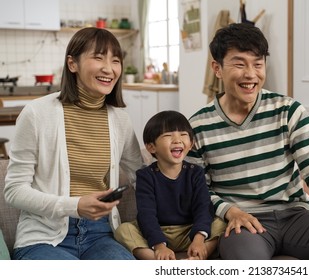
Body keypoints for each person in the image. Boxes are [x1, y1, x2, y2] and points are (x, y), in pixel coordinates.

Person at [187, 23, 309, 260]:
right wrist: (231, 212)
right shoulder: (197, 127)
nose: (251, 74)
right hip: (245, 223)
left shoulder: (288, 111)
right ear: (217, 68)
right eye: (239, 64)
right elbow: (199, 191)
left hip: (296, 216)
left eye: (258, 63)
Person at [4, 27, 143, 260]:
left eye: (115, 60)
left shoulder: (119, 119)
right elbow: (14, 190)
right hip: (43, 237)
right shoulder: (37, 113)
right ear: (72, 64)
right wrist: (74, 205)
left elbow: (142, 175)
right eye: (98, 57)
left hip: (101, 234)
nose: (109, 68)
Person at [115, 111, 226, 260]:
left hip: (189, 231)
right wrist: (159, 245)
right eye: (168, 136)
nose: (177, 140)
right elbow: (146, 214)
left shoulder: (196, 173)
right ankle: (157, 260)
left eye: (183, 135)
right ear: (151, 147)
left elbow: (202, 208)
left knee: (220, 222)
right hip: (156, 233)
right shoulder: (145, 176)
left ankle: (199, 254)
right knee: (124, 229)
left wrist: (199, 240)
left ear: (191, 143)